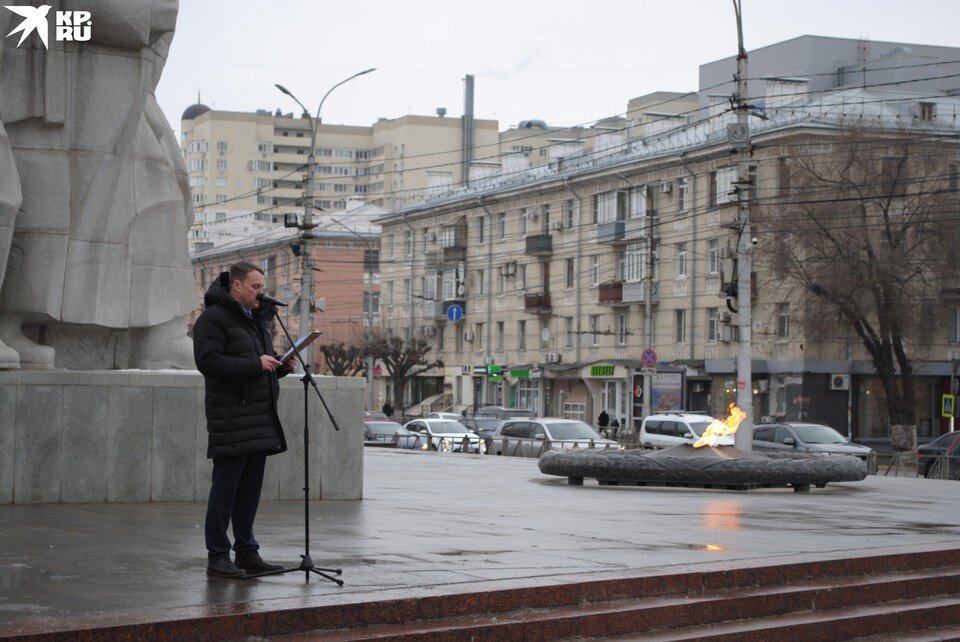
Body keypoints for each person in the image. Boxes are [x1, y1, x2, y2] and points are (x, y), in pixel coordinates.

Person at [193, 262, 293, 578]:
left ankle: (247, 551)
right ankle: (218, 556)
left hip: (259, 417)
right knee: (224, 492)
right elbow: (209, 362)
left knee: (249, 492)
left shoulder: (254, 322)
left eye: (261, 288)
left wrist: (281, 366)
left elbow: (260, 363)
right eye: (255, 287)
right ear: (236, 285)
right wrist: (255, 363)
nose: (260, 294)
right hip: (232, 418)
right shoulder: (212, 319)